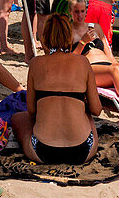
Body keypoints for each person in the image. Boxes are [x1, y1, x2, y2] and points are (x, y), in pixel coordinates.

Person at [11, 13, 101, 165]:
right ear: (69, 36)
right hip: (82, 150)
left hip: (42, 150)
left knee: (17, 118)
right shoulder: (83, 62)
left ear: (45, 37)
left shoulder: (35, 63)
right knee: (88, 116)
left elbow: (32, 111)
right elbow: (97, 109)